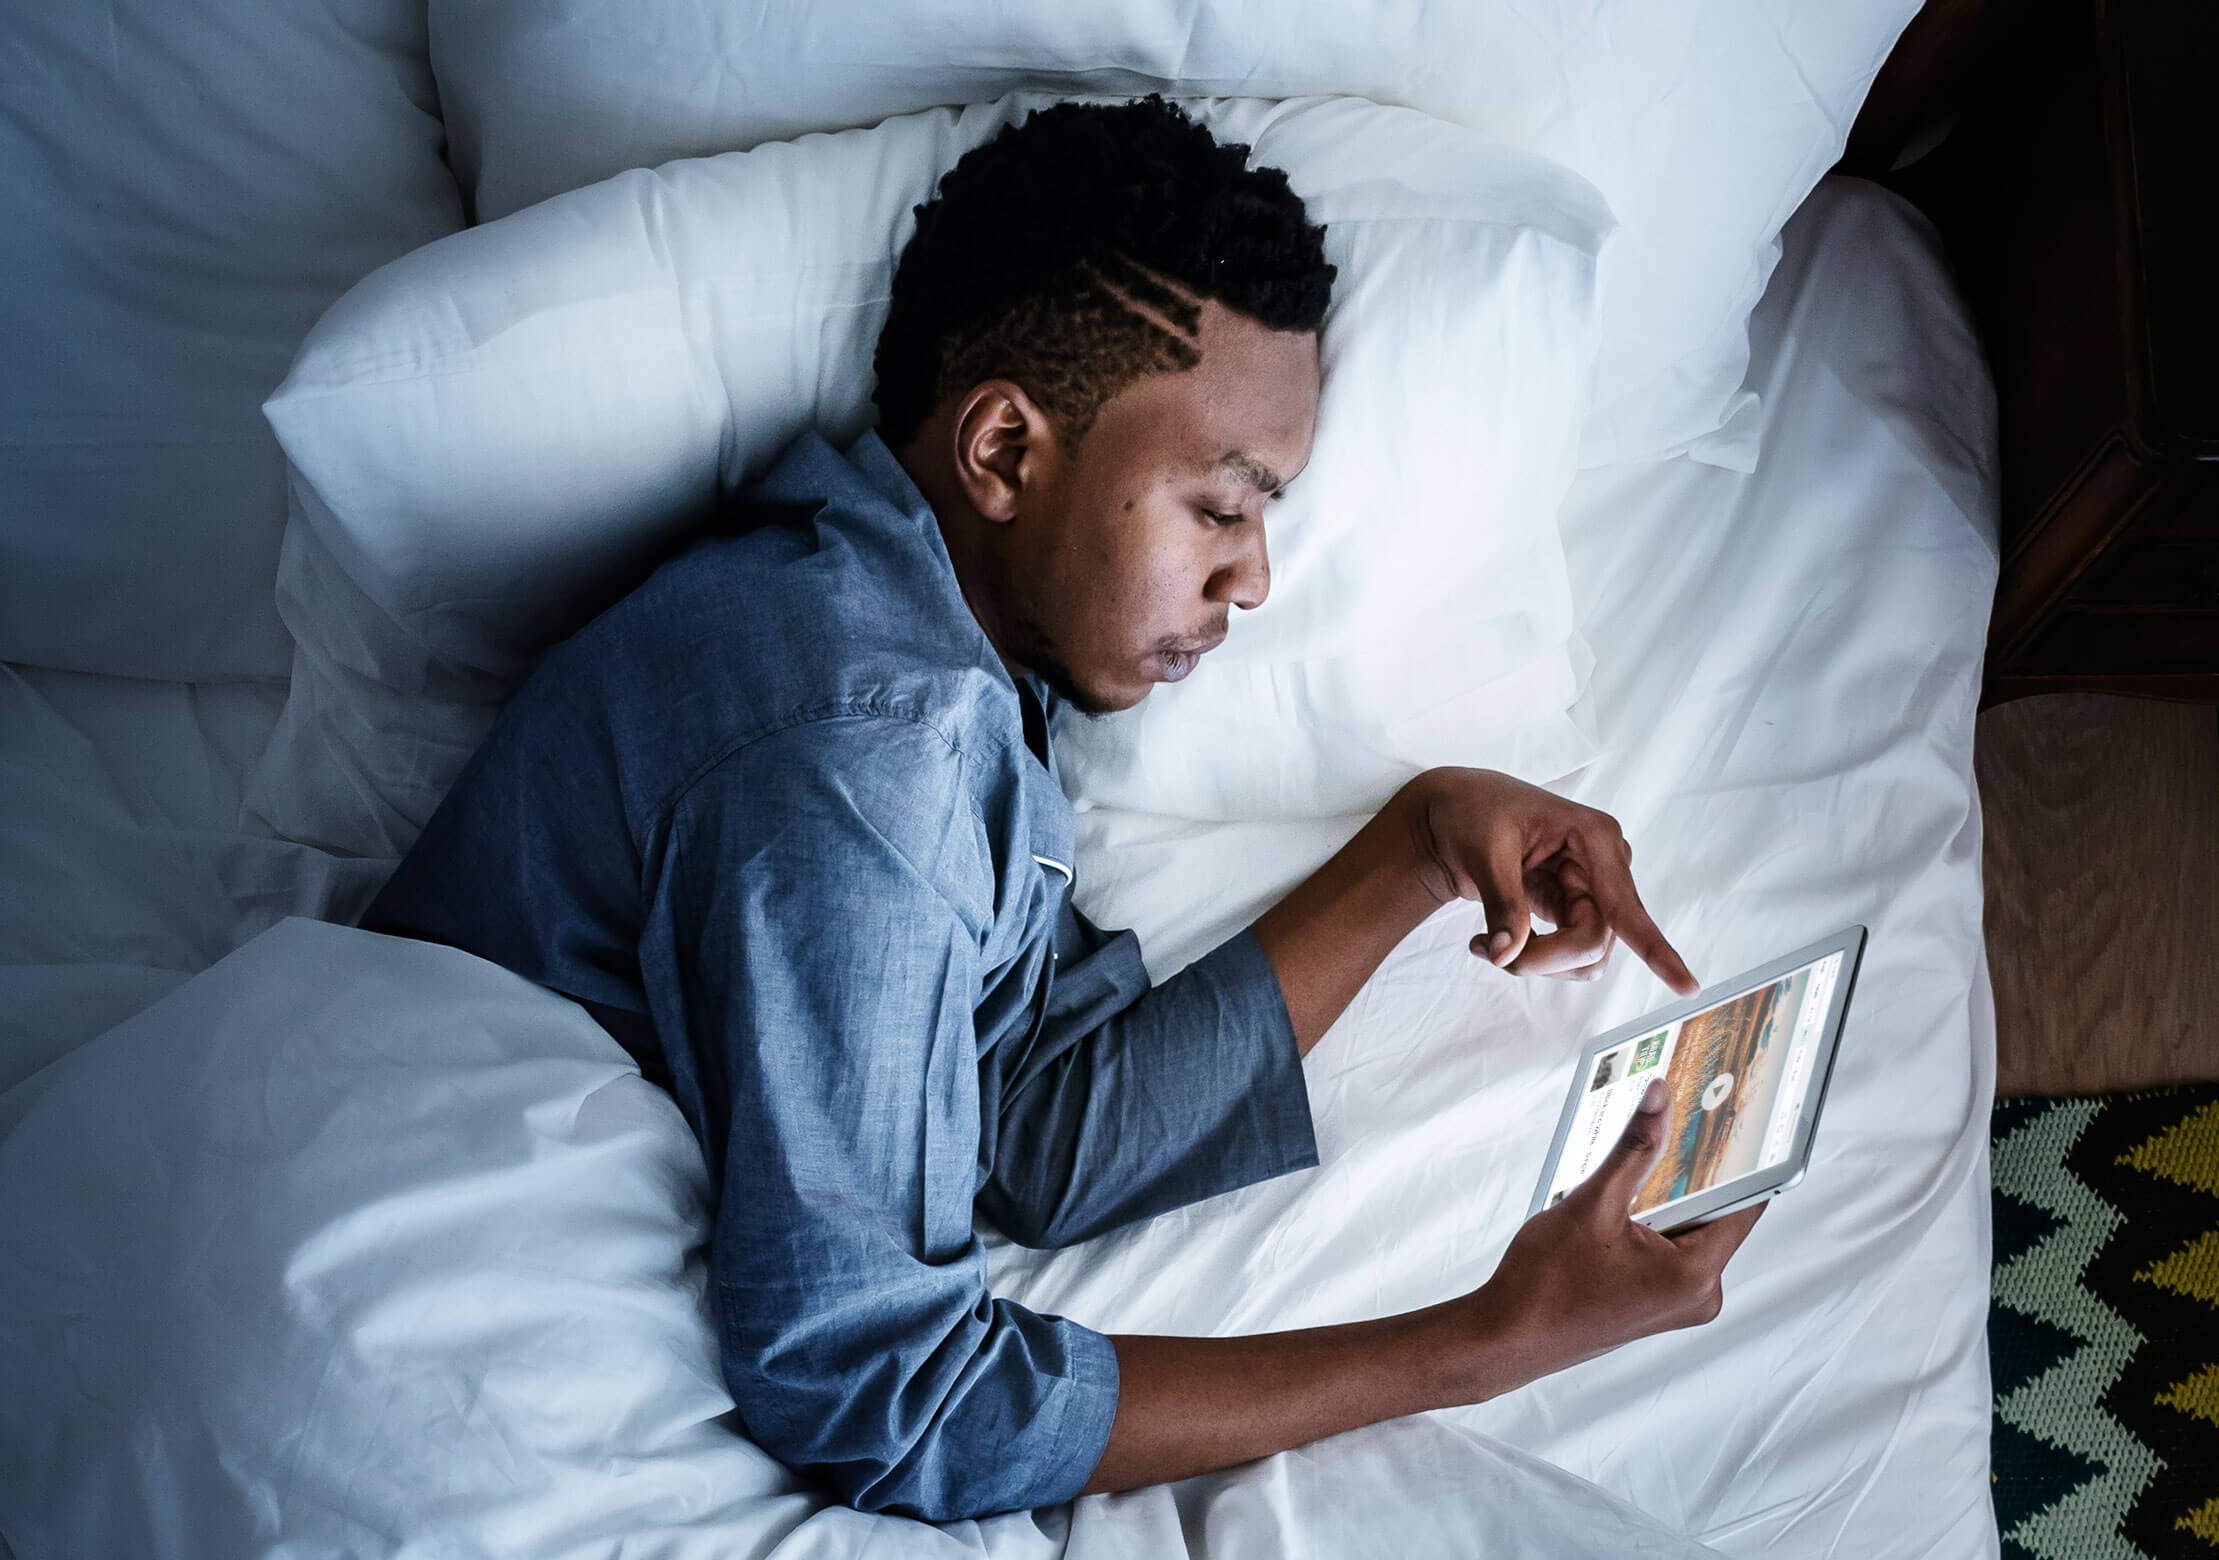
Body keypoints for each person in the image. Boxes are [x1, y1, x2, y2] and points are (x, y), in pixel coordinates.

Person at [361, 97, 1760, 1523]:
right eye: (1221, 507)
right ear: (1008, 455)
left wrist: (1417, 847)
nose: (1258, 577)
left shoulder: (933, 646)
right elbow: (883, 1398)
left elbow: (1028, 1131)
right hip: (435, 1320)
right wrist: (1480, 1347)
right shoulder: (870, 758)